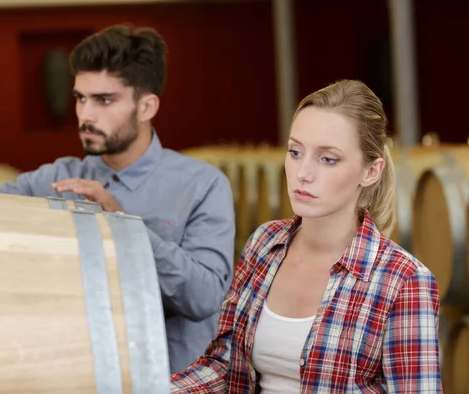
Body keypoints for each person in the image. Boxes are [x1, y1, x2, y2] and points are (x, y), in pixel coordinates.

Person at [0, 24, 236, 374]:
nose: (86, 115)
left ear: (147, 107)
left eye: (105, 100)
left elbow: (204, 298)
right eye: (80, 98)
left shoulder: (203, 185)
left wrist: (124, 226)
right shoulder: (60, 177)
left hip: (174, 381)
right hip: (84, 374)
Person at [170, 79, 442, 392]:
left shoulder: (404, 280)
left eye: (328, 159)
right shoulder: (264, 244)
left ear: (371, 172)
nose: (303, 173)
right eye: (295, 152)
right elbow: (224, 365)